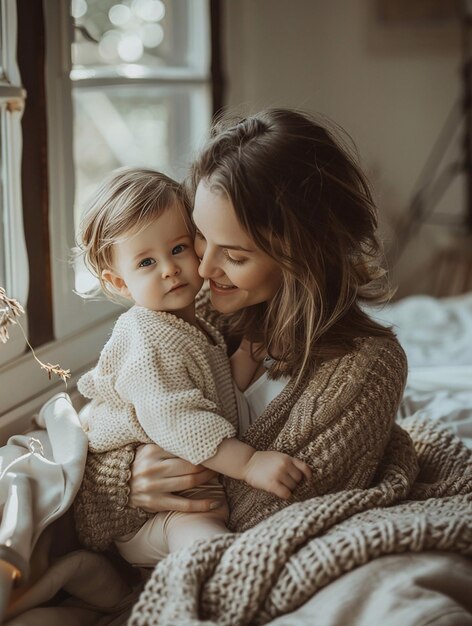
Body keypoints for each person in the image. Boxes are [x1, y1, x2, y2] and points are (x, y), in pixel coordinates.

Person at [74, 109, 407, 547]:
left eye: (234, 255)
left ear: (302, 255)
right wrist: (125, 482)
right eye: (199, 238)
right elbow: (99, 433)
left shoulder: (364, 371)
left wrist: (162, 483)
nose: (204, 269)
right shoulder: (202, 316)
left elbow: (261, 522)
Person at [74, 166, 311, 566]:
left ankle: (103, 589)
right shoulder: (146, 337)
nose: (168, 268)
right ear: (119, 283)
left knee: (207, 526)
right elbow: (179, 419)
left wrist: (250, 351)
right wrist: (251, 464)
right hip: (155, 512)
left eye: (178, 249)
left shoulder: (190, 326)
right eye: (146, 262)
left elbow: (215, 394)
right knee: (206, 545)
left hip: (186, 494)